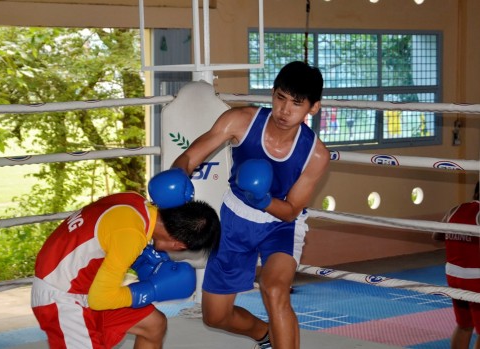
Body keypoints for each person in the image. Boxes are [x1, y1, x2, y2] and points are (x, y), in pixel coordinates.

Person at [172, 61, 330, 349]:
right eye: (280, 98)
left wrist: (264, 200)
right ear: (272, 94)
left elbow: (292, 209)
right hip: (235, 221)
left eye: (296, 103)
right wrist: (177, 177)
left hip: (280, 225)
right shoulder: (240, 120)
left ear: (313, 107)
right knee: (215, 316)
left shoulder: (316, 155)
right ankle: (265, 334)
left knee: (274, 288)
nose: (284, 110)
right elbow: (190, 157)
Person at [31, 168, 221, 349]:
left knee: (153, 325)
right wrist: (149, 291)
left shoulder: (135, 201)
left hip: (80, 282)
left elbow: (105, 235)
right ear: (179, 245)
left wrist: (140, 259)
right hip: (61, 296)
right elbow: (100, 299)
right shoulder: (131, 237)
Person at [433, 182, 480, 349]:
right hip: (476, 278)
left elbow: (436, 235)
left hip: (453, 275)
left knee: (464, 325)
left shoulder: (455, 209)